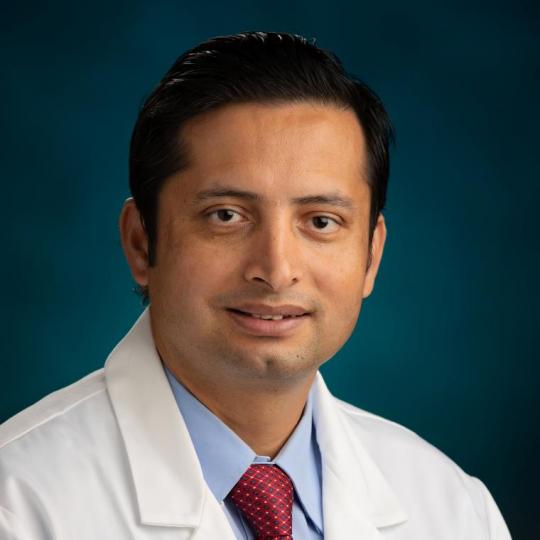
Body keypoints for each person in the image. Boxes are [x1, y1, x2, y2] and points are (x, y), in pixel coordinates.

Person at [0, 31, 511, 539]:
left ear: (371, 256)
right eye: (226, 215)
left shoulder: (455, 510)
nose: (276, 268)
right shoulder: (19, 503)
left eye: (321, 221)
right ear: (141, 243)